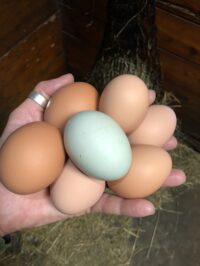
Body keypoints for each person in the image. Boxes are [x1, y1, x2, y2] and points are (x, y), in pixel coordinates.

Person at [0, 73, 186, 237]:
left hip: (89, 140)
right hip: (82, 141)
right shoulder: (64, 132)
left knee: (130, 93)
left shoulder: (74, 130)